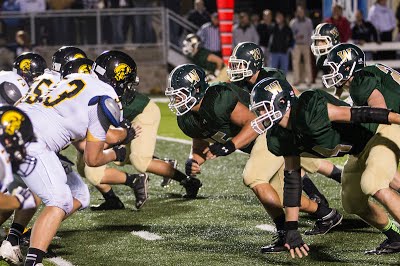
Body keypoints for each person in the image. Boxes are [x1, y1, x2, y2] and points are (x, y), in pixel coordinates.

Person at [166, 63, 343, 254]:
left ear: (197, 89)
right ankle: (326, 214)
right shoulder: (186, 118)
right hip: (261, 142)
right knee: (280, 194)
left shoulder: (217, 98)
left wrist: (230, 145)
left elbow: (255, 122)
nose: (175, 99)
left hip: (271, 131)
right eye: (174, 94)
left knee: (254, 177)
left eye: (180, 93)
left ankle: (285, 231)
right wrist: (194, 160)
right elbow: (200, 141)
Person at [250, 75, 400, 257]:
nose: (261, 115)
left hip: (379, 133)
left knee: (372, 183)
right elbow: (293, 180)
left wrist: (397, 118)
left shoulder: (309, 109)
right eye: (258, 111)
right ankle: (395, 236)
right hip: (358, 151)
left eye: (263, 108)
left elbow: (360, 113)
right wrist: (291, 228)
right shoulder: (279, 136)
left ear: (282, 101)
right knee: (352, 202)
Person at [70, 55, 201, 211]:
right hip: (119, 123)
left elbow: (99, 140)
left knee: (138, 160)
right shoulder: (94, 94)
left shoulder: (96, 95)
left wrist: (115, 147)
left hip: (142, 113)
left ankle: (186, 180)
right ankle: (112, 198)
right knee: (84, 165)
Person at [227, 42, 342, 204]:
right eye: (235, 64)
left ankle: (335, 186)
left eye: (240, 64)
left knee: (306, 161)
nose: (235, 69)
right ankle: (319, 196)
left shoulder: (271, 78)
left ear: (253, 64)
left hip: (288, 125)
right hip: (271, 128)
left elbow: (294, 95)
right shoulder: (241, 83)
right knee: (299, 162)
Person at [289, 5, 313, 86]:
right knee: (295, 63)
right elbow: (290, 34)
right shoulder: (293, 22)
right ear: (297, 13)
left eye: (301, 12)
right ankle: (296, 80)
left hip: (306, 44)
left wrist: (310, 43)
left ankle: (308, 80)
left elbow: (311, 33)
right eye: (299, 12)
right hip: (296, 45)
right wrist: (296, 37)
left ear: (304, 12)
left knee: (307, 62)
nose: (300, 13)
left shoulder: (308, 21)